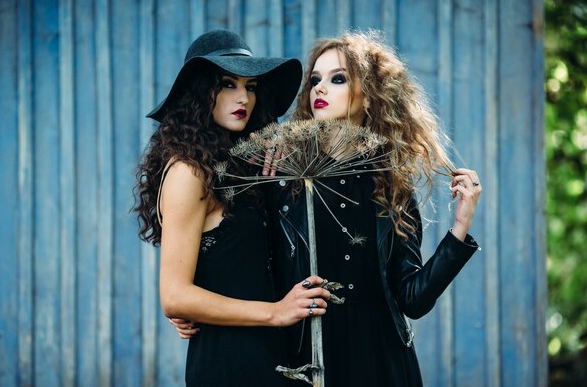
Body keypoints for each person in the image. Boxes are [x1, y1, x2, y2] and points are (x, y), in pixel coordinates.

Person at [269, 30, 483, 386]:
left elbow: (412, 299)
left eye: (338, 79)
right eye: (315, 80)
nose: (320, 88)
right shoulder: (285, 180)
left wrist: (459, 229)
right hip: (309, 357)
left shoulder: (391, 189)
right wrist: (200, 307)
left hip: (383, 360)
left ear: (368, 96)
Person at [134, 29, 331, 387]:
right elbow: (175, 296)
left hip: (275, 355)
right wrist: (275, 312)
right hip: (229, 363)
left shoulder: (245, 169)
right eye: (228, 84)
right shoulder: (189, 172)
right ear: (200, 94)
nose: (243, 97)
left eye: (251, 86)